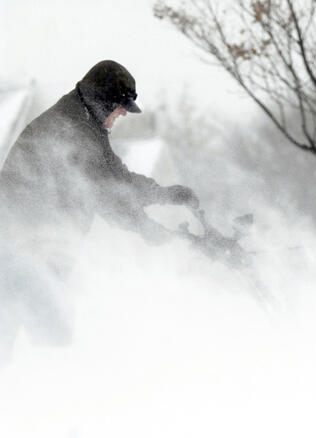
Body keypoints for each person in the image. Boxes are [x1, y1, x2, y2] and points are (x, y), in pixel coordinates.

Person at [0, 60, 199, 360]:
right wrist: (147, 229)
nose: (122, 113)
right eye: (120, 106)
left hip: (37, 254)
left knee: (37, 337)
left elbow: (117, 180)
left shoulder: (86, 124)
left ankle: (28, 394)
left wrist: (164, 194)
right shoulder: (70, 130)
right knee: (48, 339)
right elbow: (105, 194)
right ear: (101, 101)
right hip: (21, 251)